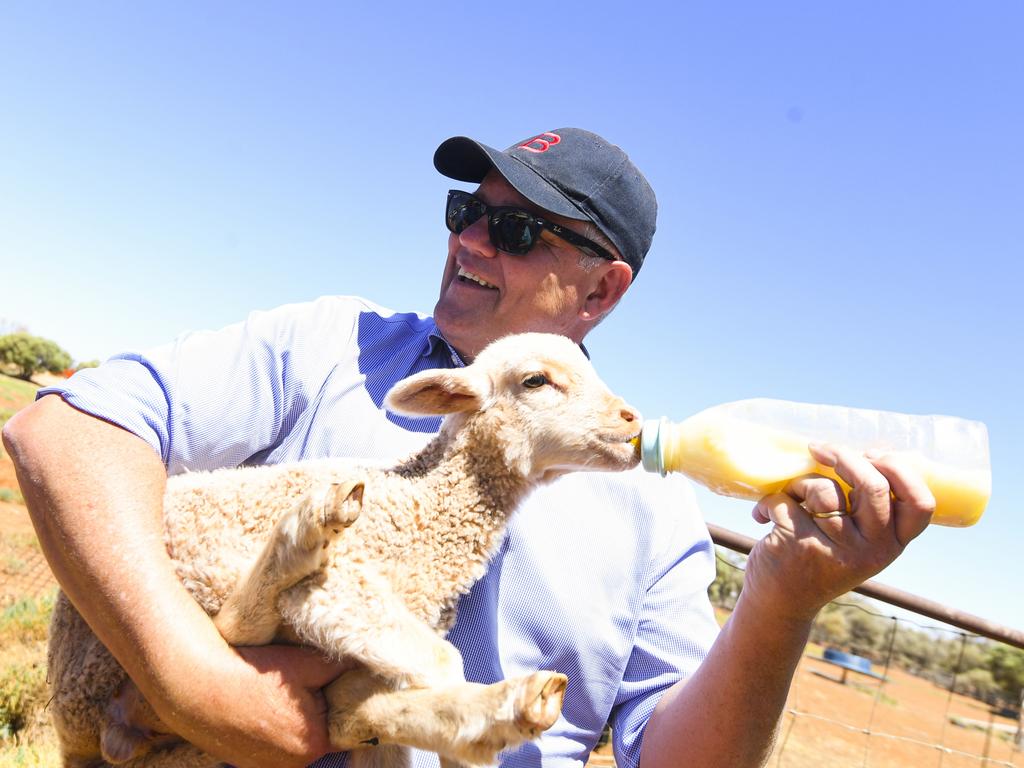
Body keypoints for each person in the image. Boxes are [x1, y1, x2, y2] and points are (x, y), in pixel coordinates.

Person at [3, 127, 934, 768]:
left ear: (601, 291)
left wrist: (780, 602)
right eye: (465, 211)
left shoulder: (654, 509)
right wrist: (190, 680)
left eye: (517, 229)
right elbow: (65, 429)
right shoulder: (331, 348)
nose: (470, 241)